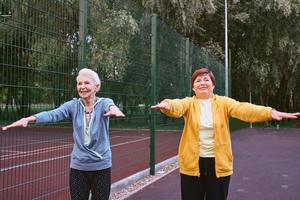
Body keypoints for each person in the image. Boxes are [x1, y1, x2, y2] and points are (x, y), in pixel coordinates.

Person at [151, 67, 299, 200]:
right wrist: (167, 105)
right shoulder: (189, 103)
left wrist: (269, 112)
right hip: (192, 164)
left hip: (219, 164)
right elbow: (177, 105)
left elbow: (243, 108)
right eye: (198, 80)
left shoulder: (223, 103)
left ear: (213, 85)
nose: (202, 82)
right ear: (193, 87)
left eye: (206, 79)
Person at [2, 68, 125, 200]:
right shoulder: (73, 105)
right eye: (79, 83)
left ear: (96, 86)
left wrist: (115, 109)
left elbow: (110, 106)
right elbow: (53, 114)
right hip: (78, 167)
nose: (82, 87)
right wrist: (30, 119)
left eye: (87, 83)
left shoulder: (104, 103)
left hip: (101, 166)